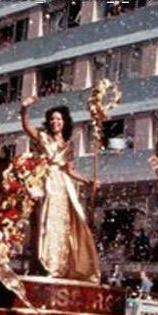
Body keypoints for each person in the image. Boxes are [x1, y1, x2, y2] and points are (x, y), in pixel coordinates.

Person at [21, 96, 101, 283]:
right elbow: (26, 127)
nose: (55, 122)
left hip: (63, 186)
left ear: (64, 122)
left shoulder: (68, 145)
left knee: (65, 224)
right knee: (46, 224)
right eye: (52, 119)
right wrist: (24, 109)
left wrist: (88, 181)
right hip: (46, 183)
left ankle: (63, 266)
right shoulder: (43, 137)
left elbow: (70, 170)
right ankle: (46, 264)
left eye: (58, 119)